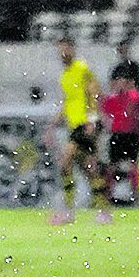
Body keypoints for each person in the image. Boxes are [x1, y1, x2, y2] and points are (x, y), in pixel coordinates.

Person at [51, 37, 104, 224]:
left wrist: (92, 119)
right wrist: (53, 125)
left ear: (72, 50)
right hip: (74, 125)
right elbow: (68, 102)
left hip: (86, 124)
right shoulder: (64, 76)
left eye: (66, 49)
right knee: (88, 167)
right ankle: (103, 210)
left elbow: (95, 92)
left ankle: (68, 211)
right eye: (60, 50)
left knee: (66, 161)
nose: (63, 53)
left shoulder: (82, 69)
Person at [100, 63, 139, 208]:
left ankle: (135, 196)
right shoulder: (113, 99)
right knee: (113, 167)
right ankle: (109, 196)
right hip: (118, 135)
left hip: (131, 135)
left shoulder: (135, 97)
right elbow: (103, 112)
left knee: (133, 167)